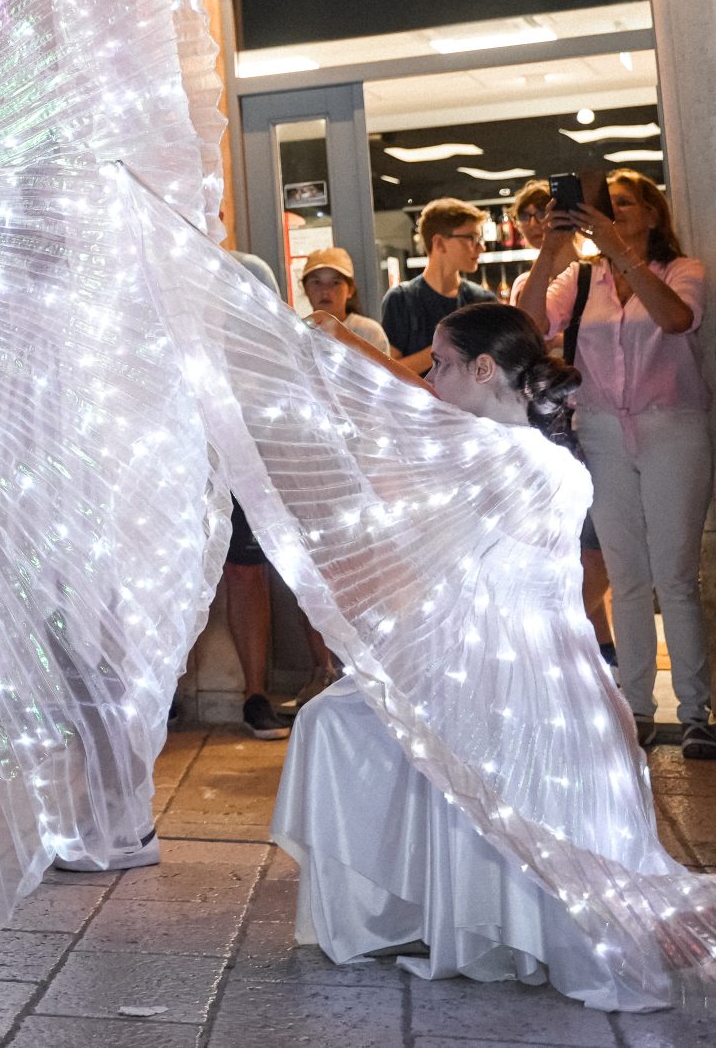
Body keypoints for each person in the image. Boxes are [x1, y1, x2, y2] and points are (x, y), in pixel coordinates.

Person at [271, 302, 673, 1008]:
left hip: (491, 666)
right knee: (338, 716)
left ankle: (400, 915)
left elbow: (404, 415)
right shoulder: (557, 460)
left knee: (330, 722)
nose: (433, 377)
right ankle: (431, 911)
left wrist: (340, 351)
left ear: (484, 369)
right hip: (546, 665)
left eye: (443, 363)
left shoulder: (489, 455)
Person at [517, 170, 712, 758]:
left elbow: (676, 320)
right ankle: (637, 709)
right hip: (600, 428)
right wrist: (553, 248)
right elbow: (529, 327)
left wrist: (617, 250)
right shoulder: (580, 278)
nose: (613, 213)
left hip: (672, 424)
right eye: (606, 205)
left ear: (652, 213)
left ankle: (696, 712)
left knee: (675, 575)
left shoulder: (683, 270)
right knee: (625, 576)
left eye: (624, 205)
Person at [503, 181, 616, 663]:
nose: (535, 223)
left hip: (600, 414)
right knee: (563, 543)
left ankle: (562, 638)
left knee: (598, 544)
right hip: (548, 424)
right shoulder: (530, 282)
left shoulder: (597, 271)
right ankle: (592, 647)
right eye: (527, 216)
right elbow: (526, 338)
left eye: (543, 212)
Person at [381, 199, 495, 375]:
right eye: (471, 238)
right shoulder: (401, 300)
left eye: (480, 239)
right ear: (439, 243)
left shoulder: (484, 301)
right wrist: (450, 347)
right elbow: (391, 371)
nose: (481, 247)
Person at [298, 248, 390, 354]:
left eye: (335, 283)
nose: (325, 291)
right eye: (317, 282)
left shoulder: (369, 332)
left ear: (350, 290)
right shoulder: (299, 333)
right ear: (305, 289)